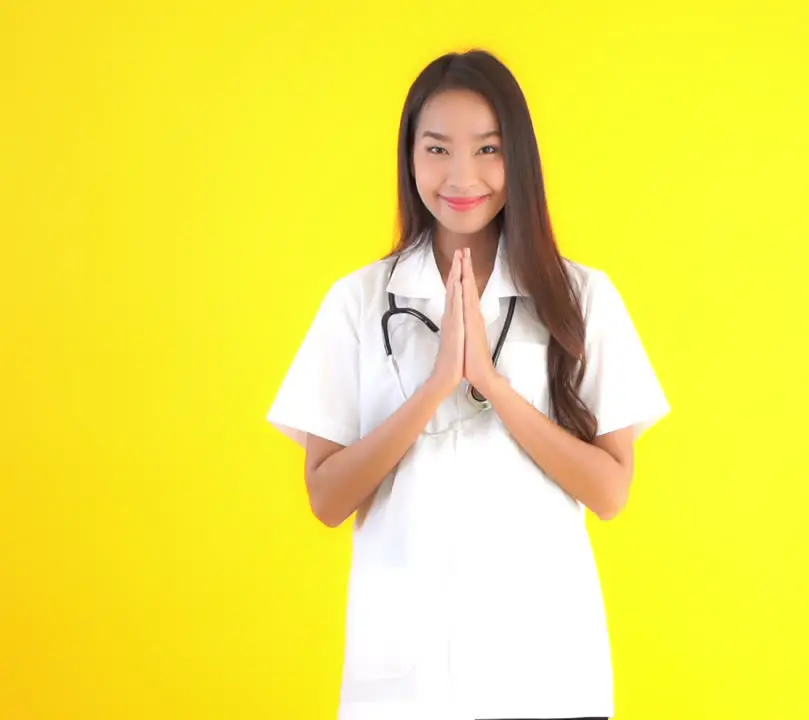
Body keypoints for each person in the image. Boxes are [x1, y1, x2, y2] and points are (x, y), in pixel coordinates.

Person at [266, 49, 670, 720]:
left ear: (519, 157)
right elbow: (327, 497)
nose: (462, 176)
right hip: (405, 679)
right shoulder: (359, 302)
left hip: (546, 668)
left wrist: (491, 384)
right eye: (437, 148)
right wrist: (432, 389)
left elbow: (610, 490)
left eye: (488, 149)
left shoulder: (584, 298)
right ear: (410, 157)